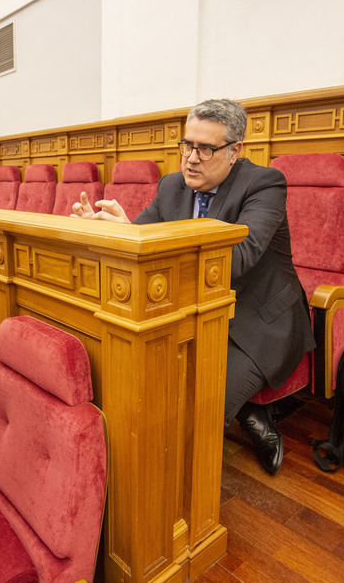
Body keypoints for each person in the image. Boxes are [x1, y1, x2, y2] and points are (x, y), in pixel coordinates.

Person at [72, 98, 314, 475]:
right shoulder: (172, 187)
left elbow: (237, 259)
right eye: (187, 145)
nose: (191, 158)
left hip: (256, 323)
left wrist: (145, 242)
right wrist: (119, 233)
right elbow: (145, 244)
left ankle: (184, 510)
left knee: (200, 407)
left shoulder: (264, 184)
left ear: (235, 151)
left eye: (206, 148)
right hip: (194, 312)